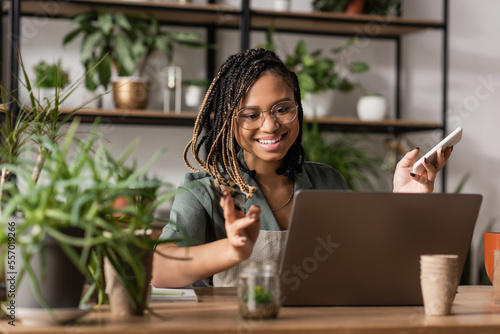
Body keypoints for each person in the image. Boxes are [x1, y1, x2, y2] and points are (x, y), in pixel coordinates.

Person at [152, 48, 452, 288]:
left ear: (299, 109)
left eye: (282, 109)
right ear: (229, 123)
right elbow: (162, 270)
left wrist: (403, 202)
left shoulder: (327, 181)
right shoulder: (201, 190)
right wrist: (231, 250)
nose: (270, 125)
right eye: (250, 114)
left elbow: (363, 267)